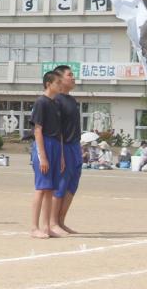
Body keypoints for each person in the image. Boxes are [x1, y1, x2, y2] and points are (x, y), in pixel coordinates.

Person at [30, 70, 66, 239]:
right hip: (44, 144)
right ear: (48, 84)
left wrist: (61, 157)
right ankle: (34, 227)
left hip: (56, 146)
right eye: (57, 83)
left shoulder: (56, 104)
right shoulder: (41, 102)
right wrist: (42, 156)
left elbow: (59, 132)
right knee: (41, 188)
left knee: (50, 189)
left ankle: (46, 227)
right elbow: (38, 130)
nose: (60, 85)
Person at [53, 65, 83, 233]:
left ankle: (61, 220)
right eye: (70, 75)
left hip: (75, 147)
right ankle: (53, 222)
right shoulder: (56, 100)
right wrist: (62, 153)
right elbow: (58, 129)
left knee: (72, 185)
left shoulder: (72, 100)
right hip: (63, 147)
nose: (73, 78)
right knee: (61, 185)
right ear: (60, 79)